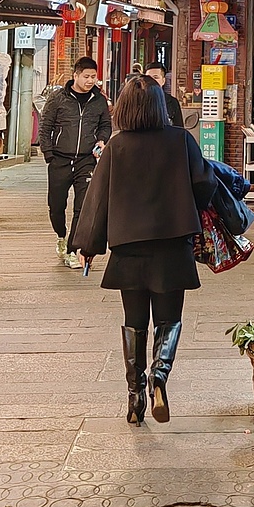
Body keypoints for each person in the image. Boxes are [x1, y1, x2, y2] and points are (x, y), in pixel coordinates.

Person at [71, 74, 211, 426]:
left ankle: (134, 396)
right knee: (169, 320)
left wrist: (88, 245)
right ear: (160, 107)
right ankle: (159, 378)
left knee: (134, 323)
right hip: (172, 246)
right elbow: (204, 184)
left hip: (128, 249)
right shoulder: (181, 140)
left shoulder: (116, 147)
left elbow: (97, 199)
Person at [38, 56, 111, 268]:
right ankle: (61, 236)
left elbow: (106, 125)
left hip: (86, 160)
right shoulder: (58, 98)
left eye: (93, 77)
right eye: (86, 76)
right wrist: (49, 154)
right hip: (59, 159)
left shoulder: (98, 100)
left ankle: (72, 249)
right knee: (56, 206)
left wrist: (102, 140)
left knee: (82, 207)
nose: (90, 81)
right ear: (75, 75)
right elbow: (45, 127)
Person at [143, 63, 185, 128]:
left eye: (156, 77)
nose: (151, 81)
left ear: (163, 81)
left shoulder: (172, 102)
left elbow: (179, 130)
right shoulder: (137, 100)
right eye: (148, 78)